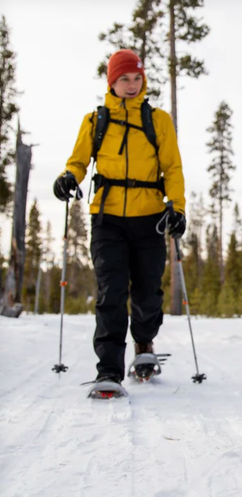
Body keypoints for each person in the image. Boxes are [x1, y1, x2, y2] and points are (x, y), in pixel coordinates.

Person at [53, 49, 186, 389]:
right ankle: (109, 371)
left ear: (143, 80)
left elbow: (172, 168)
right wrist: (69, 176)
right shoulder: (95, 120)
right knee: (111, 294)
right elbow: (79, 161)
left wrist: (178, 207)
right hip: (107, 217)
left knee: (147, 294)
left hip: (150, 217)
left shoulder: (159, 121)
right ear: (111, 82)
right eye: (123, 79)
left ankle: (143, 345)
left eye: (136, 78)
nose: (131, 84)